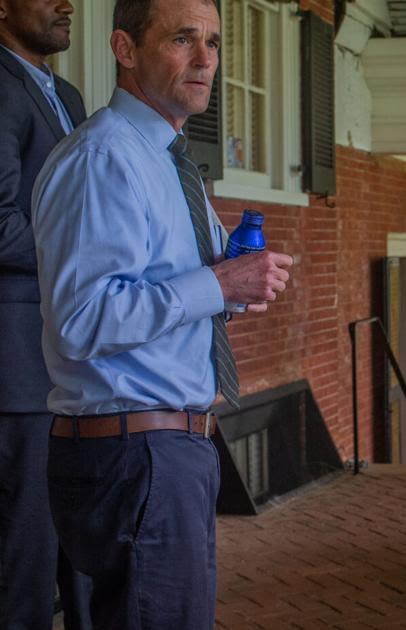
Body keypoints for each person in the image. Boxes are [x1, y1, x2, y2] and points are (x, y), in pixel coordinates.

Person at [30, 0, 294, 625]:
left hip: (166, 449)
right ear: (125, 49)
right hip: (133, 454)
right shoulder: (104, 160)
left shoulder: (172, 165)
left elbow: (173, 301)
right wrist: (214, 283)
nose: (206, 60)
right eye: (183, 39)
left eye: (214, 42)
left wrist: (231, 292)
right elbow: (82, 318)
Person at [0, 0, 93, 626]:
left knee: (86, 542)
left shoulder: (69, 95)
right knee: (26, 554)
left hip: (80, 361)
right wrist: (88, 257)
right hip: (19, 366)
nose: (67, 5)